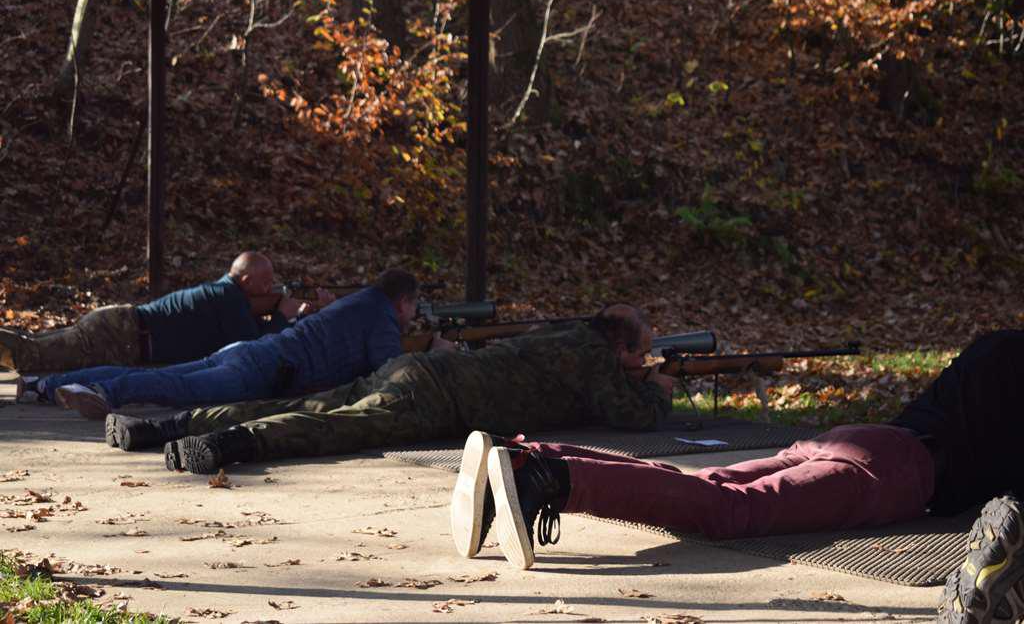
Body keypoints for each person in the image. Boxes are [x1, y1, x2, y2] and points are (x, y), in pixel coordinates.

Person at [449, 330, 1024, 624]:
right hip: (897, 472)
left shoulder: (996, 347)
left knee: (703, 485)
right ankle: (550, 476)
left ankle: (522, 457)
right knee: (731, 512)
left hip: (866, 438)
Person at [99, 304, 675, 478]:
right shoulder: (595, 359)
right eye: (643, 351)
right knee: (333, 426)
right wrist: (659, 389)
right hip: (435, 400)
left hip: (419, 371)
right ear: (622, 349)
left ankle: (163, 427)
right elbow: (632, 416)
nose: (644, 360)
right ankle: (227, 444)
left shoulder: (564, 336)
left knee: (305, 404)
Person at [54, 269, 432, 420]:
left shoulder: (359, 304)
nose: (412, 315)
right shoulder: (381, 317)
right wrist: (433, 355)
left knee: (169, 376)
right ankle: (103, 392)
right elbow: (392, 373)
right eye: (414, 307)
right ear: (403, 301)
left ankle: (49, 384)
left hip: (249, 351)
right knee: (178, 388)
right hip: (263, 369)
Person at [0, 252, 301, 380]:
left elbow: (243, 331)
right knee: (31, 355)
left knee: (32, 346)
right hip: (118, 335)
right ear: (246, 281)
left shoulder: (226, 295)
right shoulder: (229, 298)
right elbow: (252, 346)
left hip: (118, 328)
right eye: (266, 282)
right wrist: (282, 316)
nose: (270, 288)